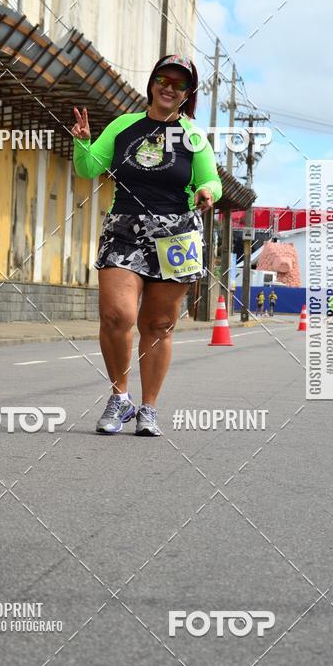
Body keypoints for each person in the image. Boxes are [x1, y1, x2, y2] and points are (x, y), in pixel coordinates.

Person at [72, 54, 222, 437]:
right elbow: (89, 168)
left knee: (158, 324)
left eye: (178, 84)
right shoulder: (125, 125)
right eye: (163, 80)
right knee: (117, 315)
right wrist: (83, 143)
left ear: (187, 94)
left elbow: (213, 181)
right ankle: (120, 397)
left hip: (177, 234)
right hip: (125, 227)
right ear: (152, 83)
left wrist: (206, 191)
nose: (169, 88)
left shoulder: (193, 137)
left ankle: (149, 407)